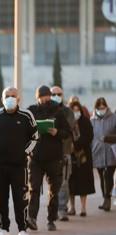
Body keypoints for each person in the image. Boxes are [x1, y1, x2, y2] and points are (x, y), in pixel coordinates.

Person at [0, 87, 37, 235]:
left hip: (19, 166)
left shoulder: (26, 116)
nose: (10, 98)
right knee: (1, 198)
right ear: (2, 99)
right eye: (7, 96)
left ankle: (22, 230)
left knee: (20, 198)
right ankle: (4, 230)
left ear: (19, 98)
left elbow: (35, 136)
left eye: (13, 96)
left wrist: (25, 152)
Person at [27, 85, 70, 231]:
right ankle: (31, 218)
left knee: (54, 190)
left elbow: (67, 132)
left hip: (54, 158)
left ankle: (51, 219)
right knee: (34, 188)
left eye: (46, 96)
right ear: (37, 97)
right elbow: (24, 130)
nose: (44, 99)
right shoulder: (31, 111)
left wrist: (57, 132)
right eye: (41, 97)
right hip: (36, 157)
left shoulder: (58, 111)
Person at [51, 86, 76, 222]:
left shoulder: (67, 112)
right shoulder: (45, 110)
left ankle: (62, 209)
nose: (56, 96)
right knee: (52, 184)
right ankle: (53, 209)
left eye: (58, 94)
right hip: (49, 154)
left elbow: (68, 127)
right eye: (53, 94)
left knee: (64, 183)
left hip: (64, 153)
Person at [67, 101, 95, 217]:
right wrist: (71, 146)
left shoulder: (85, 122)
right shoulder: (67, 122)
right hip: (71, 155)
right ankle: (72, 207)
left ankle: (83, 208)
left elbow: (89, 136)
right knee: (71, 182)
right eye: (73, 110)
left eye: (77, 110)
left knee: (84, 182)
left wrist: (77, 144)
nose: (76, 112)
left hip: (84, 156)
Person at [91, 97, 116, 211]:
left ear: (106, 107)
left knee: (109, 175)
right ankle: (104, 198)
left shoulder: (113, 118)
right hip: (98, 151)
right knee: (101, 177)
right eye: (99, 108)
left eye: (103, 107)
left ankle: (108, 198)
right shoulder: (92, 120)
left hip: (111, 151)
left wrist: (108, 138)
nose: (102, 109)